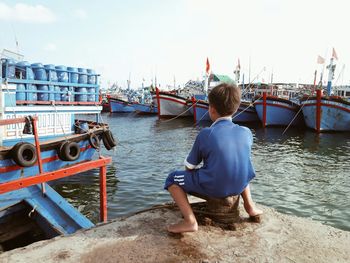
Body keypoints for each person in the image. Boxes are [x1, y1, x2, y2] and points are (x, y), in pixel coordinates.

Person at [164, 83, 262, 233]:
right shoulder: (246, 132)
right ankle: (250, 206)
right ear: (236, 109)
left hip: (215, 187)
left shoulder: (206, 134)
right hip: (239, 184)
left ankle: (190, 222)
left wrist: (198, 177)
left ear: (211, 109)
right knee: (242, 166)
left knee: (172, 179)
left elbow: (189, 167)